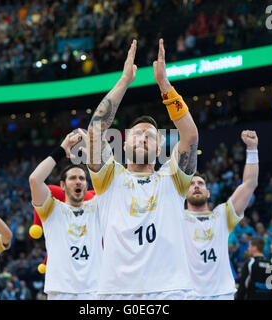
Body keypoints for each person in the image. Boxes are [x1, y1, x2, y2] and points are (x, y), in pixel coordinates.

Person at [85, 39, 199, 299]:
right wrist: (125, 80)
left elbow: (190, 137)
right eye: (136, 135)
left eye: (150, 135)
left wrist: (164, 85)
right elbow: (95, 131)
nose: (143, 138)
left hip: (171, 291)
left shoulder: (173, 178)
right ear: (124, 146)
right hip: (116, 293)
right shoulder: (109, 177)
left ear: (160, 147)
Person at [183, 130, 259, 300]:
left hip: (222, 294)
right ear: (184, 193)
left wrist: (252, 149)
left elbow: (249, 184)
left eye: (201, 183)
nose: (196, 186)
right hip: (189, 295)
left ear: (208, 193)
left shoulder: (222, 215)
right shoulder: (177, 217)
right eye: (192, 184)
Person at [29, 131, 102, 300]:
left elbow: (111, 179)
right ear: (62, 185)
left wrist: (94, 152)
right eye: (73, 178)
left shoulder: (98, 205)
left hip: (95, 290)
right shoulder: (51, 209)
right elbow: (34, 180)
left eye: (82, 179)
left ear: (86, 185)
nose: (78, 182)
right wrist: (61, 149)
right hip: (60, 291)